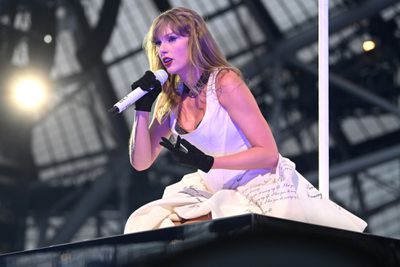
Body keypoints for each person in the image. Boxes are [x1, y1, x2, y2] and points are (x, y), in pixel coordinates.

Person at [124, 7, 367, 233]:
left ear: (194, 41)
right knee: (151, 221)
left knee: (228, 227)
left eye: (172, 39)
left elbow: (268, 154)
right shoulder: (170, 102)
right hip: (212, 188)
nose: (162, 49)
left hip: (256, 183)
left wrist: (208, 162)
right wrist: (142, 110)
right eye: (157, 43)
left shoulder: (224, 82)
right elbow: (141, 162)